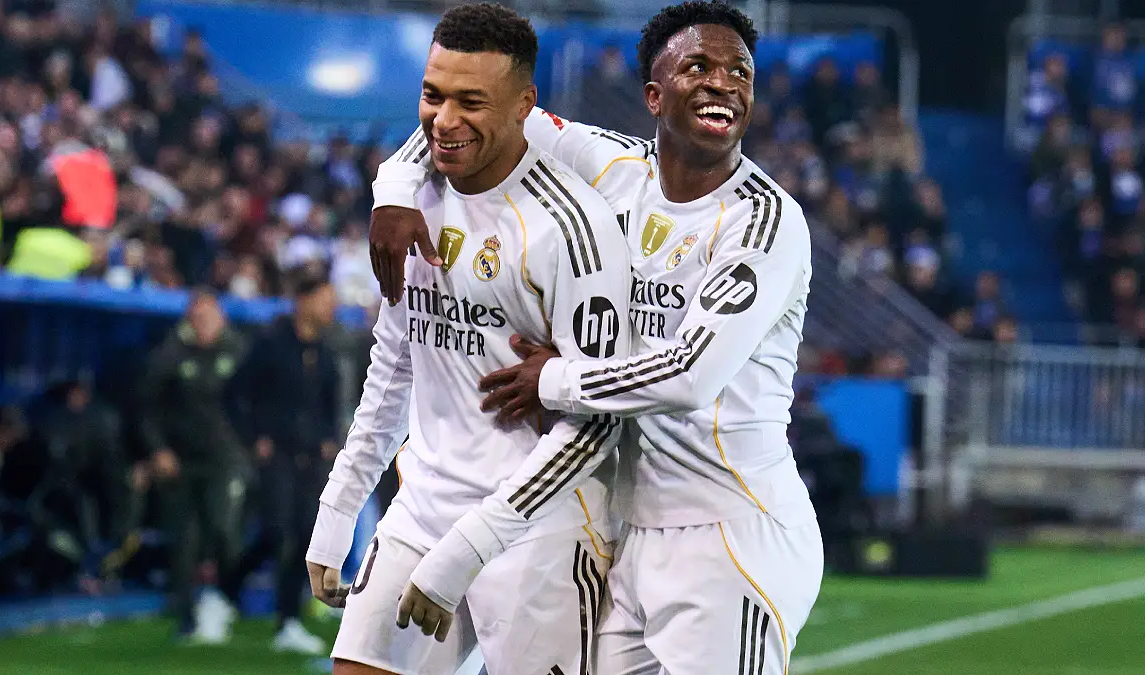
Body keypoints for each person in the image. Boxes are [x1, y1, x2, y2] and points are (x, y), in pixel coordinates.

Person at [367, 2, 823, 673]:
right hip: (629, 530)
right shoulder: (612, 164)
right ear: (653, 93)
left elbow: (690, 375)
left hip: (730, 533)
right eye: (698, 64)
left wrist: (553, 379)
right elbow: (475, 116)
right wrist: (397, 187)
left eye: (740, 72)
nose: (724, 81)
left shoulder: (765, 223)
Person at [305, 4, 631, 675]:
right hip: (421, 508)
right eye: (432, 94)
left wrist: (472, 544)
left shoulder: (574, 229)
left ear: (524, 106)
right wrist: (339, 507)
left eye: (471, 101)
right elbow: (395, 364)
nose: (443, 121)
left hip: (537, 525)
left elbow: (599, 424)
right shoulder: (411, 202)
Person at [234, 268, 342, 654]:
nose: (334, 307)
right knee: (278, 532)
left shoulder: (326, 352)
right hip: (276, 453)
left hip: (311, 457)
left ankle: (288, 620)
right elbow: (235, 392)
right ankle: (229, 586)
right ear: (305, 300)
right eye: (327, 298)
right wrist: (254, 437)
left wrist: (330, 438)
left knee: (302, 536)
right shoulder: (270, 343)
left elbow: (330, 402)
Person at [138, 290, 250, 643]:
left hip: (225, 459)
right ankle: (186, 615)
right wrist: (158, 450)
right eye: (197, 318)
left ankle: (226, 598)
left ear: (222, 319)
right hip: (181, 462)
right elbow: (144, 410)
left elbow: (258, 401)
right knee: (184, 539)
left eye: (209, 317)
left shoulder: (239, 354)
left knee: (223, 529)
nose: (203, 325)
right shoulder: (169, 356)